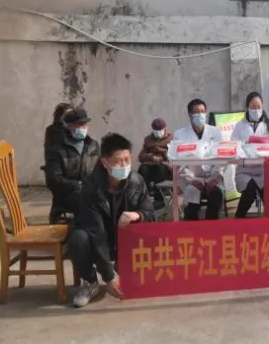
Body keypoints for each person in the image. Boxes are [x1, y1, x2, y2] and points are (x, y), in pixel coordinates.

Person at [66, 133, 156, 307]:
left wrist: (138, 215)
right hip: (98, 237)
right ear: (105, 162)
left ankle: (127, 269)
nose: (124, 165)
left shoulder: (137, 182)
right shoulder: (90, 188)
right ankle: (90, 281)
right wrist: (108, 277)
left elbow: (151, 215)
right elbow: (96, 232)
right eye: (118, 161)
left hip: (123, 237)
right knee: (78, 239)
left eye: (127, 160)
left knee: (146, 230)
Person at [173, 99, 225, 221]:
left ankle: (210, 227)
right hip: (190, 179)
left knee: (216, 196)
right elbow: (179, 163)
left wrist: (215, 178)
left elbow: (221, 157)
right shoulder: (180, 134)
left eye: (202, 111)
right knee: (192, 199)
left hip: (212, 177)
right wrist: (192, 180)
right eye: (196, 112)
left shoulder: (215, 132)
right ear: (190, 114)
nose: (200, 115)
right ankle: (191, 229)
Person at [44, 108, 100, 219]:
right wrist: (78, 185)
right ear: (68, 126)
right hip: (67, 195)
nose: (83, 128)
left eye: (85, 124)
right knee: (87, 202)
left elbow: (100, 171)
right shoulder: (57, 149)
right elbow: (53, 180)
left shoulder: (93, 146)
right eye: (79, 125)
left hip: (91, 190)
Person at [231, 92, 269, 218]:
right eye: (253, 107)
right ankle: (239, 220)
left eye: (258, 107)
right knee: (249, 192)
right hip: (244, 171)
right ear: (247, 107)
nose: (256, 110)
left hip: (263, 170)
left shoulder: (268, 125)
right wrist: (245, 145)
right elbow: (233, 145)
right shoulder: (240, 126)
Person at [137, 118, 173, 198]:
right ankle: (145, 194)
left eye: (160, 130)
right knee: (142, 169)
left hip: (165, 166)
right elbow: (141, 156)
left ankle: (159, 197)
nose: (158, 132)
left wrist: (161, 152)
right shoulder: (148, 140)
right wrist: (151, 156)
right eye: (156, 130)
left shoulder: (171, 139)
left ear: (164, 129)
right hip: (151, 164)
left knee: (160, 169)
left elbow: (172, 155)